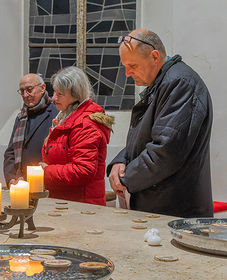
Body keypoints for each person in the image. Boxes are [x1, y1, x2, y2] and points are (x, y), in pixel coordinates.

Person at [107, 28, 213, 218]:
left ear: (154, 57)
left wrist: (125, 178)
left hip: (174, 211)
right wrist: (119, 162)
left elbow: (166, 151)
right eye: (124, 66)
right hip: (158, 207)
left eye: (132, 65)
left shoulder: (180, 83)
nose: (128, 73)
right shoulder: (161, 83)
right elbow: (144, 138)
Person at [39, 66, 113, 206]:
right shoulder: (65, 118)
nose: (53, 98)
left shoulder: (85, 124)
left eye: (60, 94)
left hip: (82, 205)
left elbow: (83, 170)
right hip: (66, 200)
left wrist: (46, 171)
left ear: (76, 94)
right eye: (54, 92)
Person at [3, 73, 58, 187]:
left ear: (43, 88)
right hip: (19, 184)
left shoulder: (56, 114)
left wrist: (28, 177)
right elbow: (10, 152)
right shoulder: (21, 117)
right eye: (22, 91)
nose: (25, 94)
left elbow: (55, 154)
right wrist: (11, 178)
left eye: (29, 89)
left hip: (44, 184)